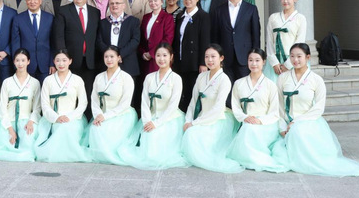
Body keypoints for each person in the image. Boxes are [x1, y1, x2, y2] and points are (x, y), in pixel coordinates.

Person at [277, 43, 359, 177]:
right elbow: (278, 105)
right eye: (292, 56)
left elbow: (319, 108)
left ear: (308, 57)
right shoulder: (282, 78)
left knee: (298, 133)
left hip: (307, 121)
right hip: (285, 122)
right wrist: (282, 126)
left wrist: (296, 122)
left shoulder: (316, 80)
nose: (295, 60)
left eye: (299, 56)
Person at [118, 43, 187, 170]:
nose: (161, 59)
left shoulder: (176, 78)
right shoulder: (149, 77)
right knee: (145, 138)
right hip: (150, 117)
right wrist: (147, 121)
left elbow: (173, 105)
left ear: (171, 57)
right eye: (158, 55)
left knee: (155, 139)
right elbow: (144, 101)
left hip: (169, 118)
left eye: (165, 55)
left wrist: (156, 123)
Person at [181, 44, 243, 173]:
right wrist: (188, 120)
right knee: (188, 132)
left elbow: (218, 108)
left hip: (219, 118)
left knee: (194, 135)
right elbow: (193, 101)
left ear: (221, 58)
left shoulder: (224, 79)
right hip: (203, 116)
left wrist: (195, 123)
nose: (209, 60)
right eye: (207, 57)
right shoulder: (201, 76)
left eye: (213, 56)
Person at [227, 48, 289, 173]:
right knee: (248, 128)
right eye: (250, 60)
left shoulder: (270, 84)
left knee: (250, 129)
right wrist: (245, 117)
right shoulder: (239, 83)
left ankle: (254, 159)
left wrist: (260, 121)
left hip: (266, 123)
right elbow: (236, 107)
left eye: (257, 60)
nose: (254, 63)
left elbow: (275, 112)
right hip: (247, 121)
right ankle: (250, 158)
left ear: (264, 62)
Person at [34, 50, 90, 163]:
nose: (61, 64)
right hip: (52, 117)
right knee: (59, 127)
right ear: (54, 62)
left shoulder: (77, 79)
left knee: (66, 128)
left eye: (64, 60)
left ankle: (68, 154)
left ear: (70, 61)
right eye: (58, 60)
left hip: (73, 118)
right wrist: (56, 117)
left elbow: (83, 103)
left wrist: (69, 117)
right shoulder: (48, 80)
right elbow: (44, 104)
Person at [53, 0, 100, 118]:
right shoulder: (63, 11)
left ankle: (88, 119)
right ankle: (72, 119)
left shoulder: (95, 12)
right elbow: (59, 36)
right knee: (72, 92)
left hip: (90, 60)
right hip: (71, 60)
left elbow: (97, 36)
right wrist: (63, 58)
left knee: (89, 92)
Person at [88, 46, 137, 165]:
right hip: (101, 114)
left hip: (121, 114)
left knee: (108, 132)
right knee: (96, 129)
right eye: (106, 57)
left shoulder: (126, 77)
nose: (109, 59)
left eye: (112, 56)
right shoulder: (99, 77)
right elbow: (94, 99)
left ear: (119, 58)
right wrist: (98, 115)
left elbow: (125, 103)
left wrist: (105, 116)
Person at [211, 0, 261, 88]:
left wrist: (255, 56)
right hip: (225, 57)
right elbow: (215, 36)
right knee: (226, 88)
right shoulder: (219, 10)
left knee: (244, 88)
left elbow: (256, 35)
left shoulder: (251, 9)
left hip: (245, 57)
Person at [0, 48, 41, 162]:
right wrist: (10, 129)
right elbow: (2, 108)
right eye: (17, 60)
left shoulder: (35, 82)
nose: (20, 64)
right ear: (14, 62)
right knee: (5, 146)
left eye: (23, 60)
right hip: (8, 121)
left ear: (28, 61)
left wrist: (31, 121)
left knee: (28, 145)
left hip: (26, 120)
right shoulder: (7, 82)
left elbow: (37, 107)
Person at [96, 0, 141, 111]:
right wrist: (110, 57)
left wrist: (120, 55)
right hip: (108, 65)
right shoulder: (103, 23)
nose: (114, 5)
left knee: (128, 99)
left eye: (117, 3)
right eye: (112, 3)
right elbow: (99, 41)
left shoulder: (133, 21)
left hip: (127, 63)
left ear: (123, 6)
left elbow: (135, 40)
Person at [172, 0, 210, 112]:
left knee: (193, 92)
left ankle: (193, 117)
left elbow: (205, 41)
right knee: (182, 92)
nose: (187, 0)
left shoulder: (203, 16)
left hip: (194, 62)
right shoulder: (180, 16)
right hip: (180, 60)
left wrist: (203, 63)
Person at [11, 0, 55, 84]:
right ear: (26, 1)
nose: (32, 2)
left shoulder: (49, 18)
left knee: (44, 91)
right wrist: (17, 63)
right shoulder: (18, 19)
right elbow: (15, 43)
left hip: (45, 64)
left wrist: (52, 63)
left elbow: (53, 42)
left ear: (40, 1)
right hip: (25, 65)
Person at [265, 0, 307, 82]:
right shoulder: (273, 17)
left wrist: (289, 64)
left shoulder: (300, 18)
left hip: (293, 60)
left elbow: (300, 42)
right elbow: (269, 41)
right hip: (275, 60)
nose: (285, 1)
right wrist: (274, 62)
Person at [139, 0, 174, 75]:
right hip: (145, 59)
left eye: (155, 0)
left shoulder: (167, 17)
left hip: (159, 58)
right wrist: (143, 53)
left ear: (161, 2)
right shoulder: (146, 17)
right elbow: (141, 37)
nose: (153, 3)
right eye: (150, 1)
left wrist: (152, 53)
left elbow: (168, 39)